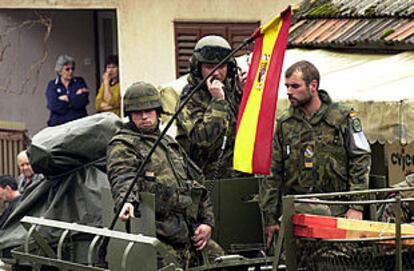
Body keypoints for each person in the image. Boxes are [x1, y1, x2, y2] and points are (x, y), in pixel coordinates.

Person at [107, 81, 223, 268]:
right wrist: (126, 201)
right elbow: (122, 175)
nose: (144, 117)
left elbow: (197, 184)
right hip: (158, 237)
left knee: (223, 261)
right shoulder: (124, 144)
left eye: (149, 111)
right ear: (130, 115)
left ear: (158, 112)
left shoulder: (169, 144)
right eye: (138, 112)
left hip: (189, 234)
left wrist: (207, 223)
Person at [260, 60, 372, 248]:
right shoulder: (285, 124)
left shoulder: (342, 117)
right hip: (298, 214)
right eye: (287, 86)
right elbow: (272, 173)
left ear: (313, 86)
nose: (289, 92)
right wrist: (270, 219)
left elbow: (360, 160)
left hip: (337, 211)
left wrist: (356, 206)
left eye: (295, 86)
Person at [175, 35, 247, 179]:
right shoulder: (190, 98)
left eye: (222, 66)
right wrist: (218, 101)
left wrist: (244, 95)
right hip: (202, 181)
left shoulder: (232, 92)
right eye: (209, 67)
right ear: (197, 68)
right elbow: (203, 139)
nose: (216, 73)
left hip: (237, 177)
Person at [46, 55, 89, 126]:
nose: (71, 71)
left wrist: (67, 98)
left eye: (72, 69)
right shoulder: (52, 85)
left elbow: (83, 101)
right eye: (67, 69)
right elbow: (53, 105)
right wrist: (74, 97)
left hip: (79, 122)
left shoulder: (79, 82)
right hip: (58, 124)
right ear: (60, 71)